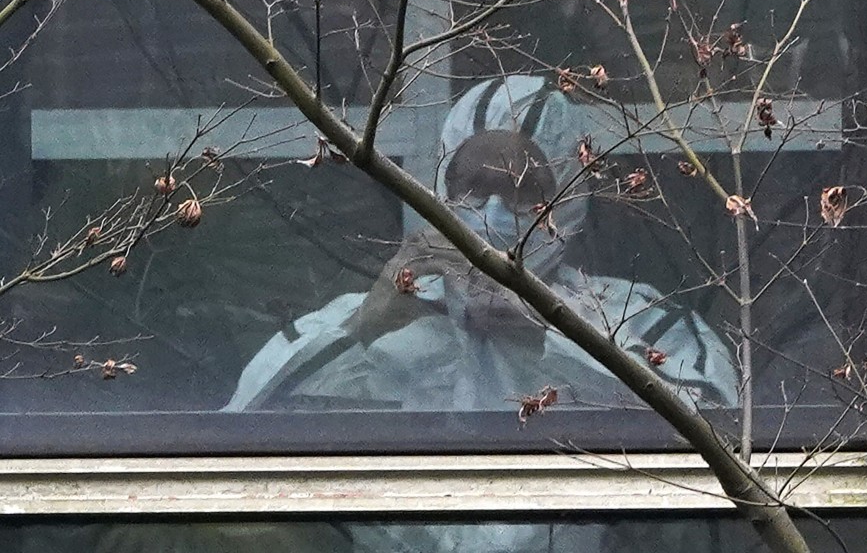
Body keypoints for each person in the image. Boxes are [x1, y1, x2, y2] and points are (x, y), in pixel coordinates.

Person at [226, 74, 737, 413]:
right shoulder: (359, 320)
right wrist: (364, 328)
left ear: (569, 198)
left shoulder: (640, 322)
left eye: (523, 191)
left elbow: (719, 435)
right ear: (441, 189)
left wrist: (548, 337)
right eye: (472, 187)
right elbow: (244, 429)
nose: (492, 214)